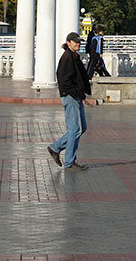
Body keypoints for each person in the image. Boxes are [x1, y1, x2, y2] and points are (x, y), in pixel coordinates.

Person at [47, 32, 98, 171]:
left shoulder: (74, 56)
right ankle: (69, 162)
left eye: (79, 42)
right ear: (68, 42)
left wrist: (83, 93)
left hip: (76, 96)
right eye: (75, 42)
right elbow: (63, 80)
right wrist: (75, 94)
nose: (78, 44)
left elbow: (79, 77)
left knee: (81, 128)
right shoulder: (67, 58)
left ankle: (55, 147)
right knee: (74, 129)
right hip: (70, 97)